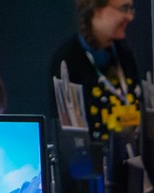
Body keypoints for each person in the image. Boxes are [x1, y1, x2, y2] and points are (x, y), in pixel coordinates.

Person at [50, 0, 143, 145]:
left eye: (131, 9)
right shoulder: (67, 59)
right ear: (97, 10)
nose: (130, 17)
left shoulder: (125, 54)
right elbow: (66, 136)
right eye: (124, 8)